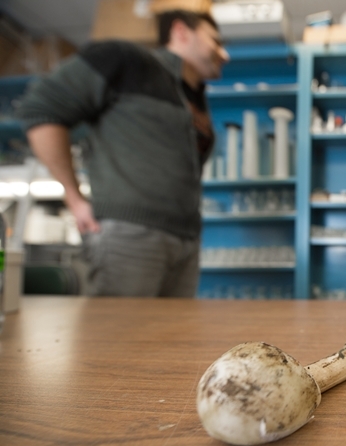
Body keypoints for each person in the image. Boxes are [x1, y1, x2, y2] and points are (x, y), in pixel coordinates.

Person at [17, 10, 229, 297]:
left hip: (186, 240)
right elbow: (41, 108)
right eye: (215, 41)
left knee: (174, 327)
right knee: (120, 326)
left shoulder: (193, 97)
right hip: (129, 234)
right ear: (181, 31)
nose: (224, 54)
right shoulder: (127, 60)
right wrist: (74, 196)